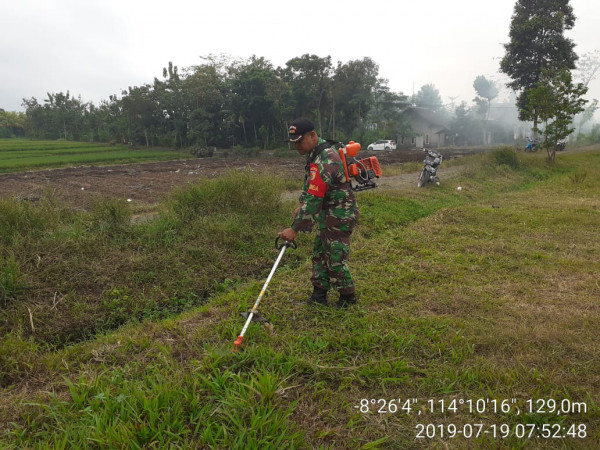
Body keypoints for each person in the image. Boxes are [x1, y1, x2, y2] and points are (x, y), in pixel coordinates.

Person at [278, 118, 359, 307]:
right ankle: (319, 295)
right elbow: (310, 185)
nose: (296, 146)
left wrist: (294, 229)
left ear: (312, 135)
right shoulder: (314, 154)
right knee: (320, 254)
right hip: (328, 212)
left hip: (340, 214)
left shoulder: (326, 158)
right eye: (293, 142)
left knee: (335, 257)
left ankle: (348, 297)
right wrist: (301, 202)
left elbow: (314, 199)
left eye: (299, 141)